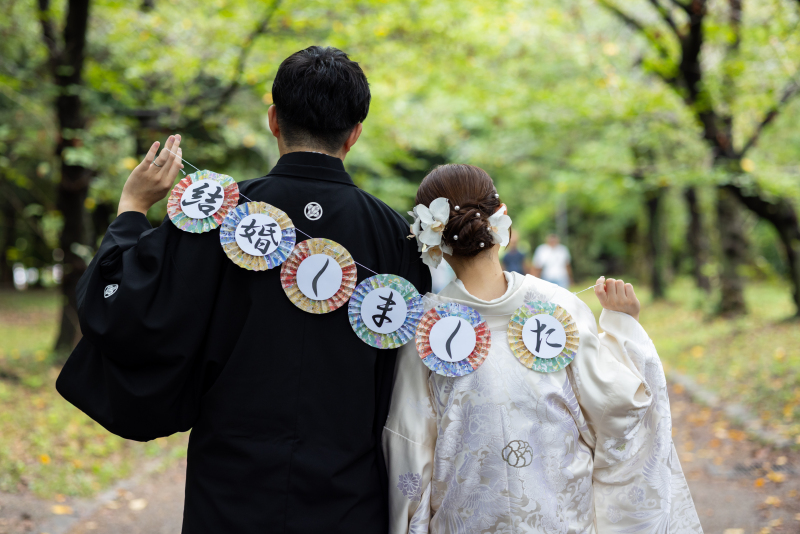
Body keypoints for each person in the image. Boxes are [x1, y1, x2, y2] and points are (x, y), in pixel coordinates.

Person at [56, 46, 431, 533]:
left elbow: (121, 310)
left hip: (231, 487)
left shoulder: (220, 216)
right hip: (348, 491)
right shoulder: (394, 236)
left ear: (274, 119)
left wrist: (131, 209)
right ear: (355, 132)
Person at [384, 164, 701, 533]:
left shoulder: (426, 327)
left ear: (431, 241)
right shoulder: (558, 306)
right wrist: (624, 329)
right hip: (559, 518)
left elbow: (410, 444)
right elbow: (621, 409)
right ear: (504, 225)